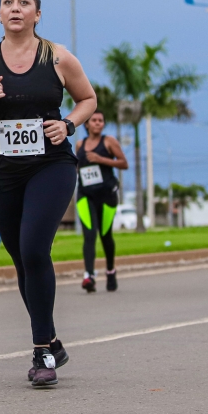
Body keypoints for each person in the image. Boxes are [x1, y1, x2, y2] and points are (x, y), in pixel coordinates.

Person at [0, 0, 96, 387]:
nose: (15, 8)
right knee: (22, 258)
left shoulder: (58, 57)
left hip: (51, 165)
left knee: (35, 248)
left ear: (37, 13)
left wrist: (68, 124)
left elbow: (88, 99)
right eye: (8, 2)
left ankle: (41, 354)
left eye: (23, 2)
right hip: (3, 171)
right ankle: (51, 340)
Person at [75, 109, 128, 293]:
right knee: (89, 235)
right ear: (87, 124)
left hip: (106, 195)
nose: (98, 123)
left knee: (105, 235)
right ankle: (89, 276)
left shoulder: (109, 141)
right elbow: (78, 167)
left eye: (101, 120)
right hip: (85, 195)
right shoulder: (80, 144)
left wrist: (101, 159)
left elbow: (124, 163)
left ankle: (110, 271)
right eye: (94, 120)